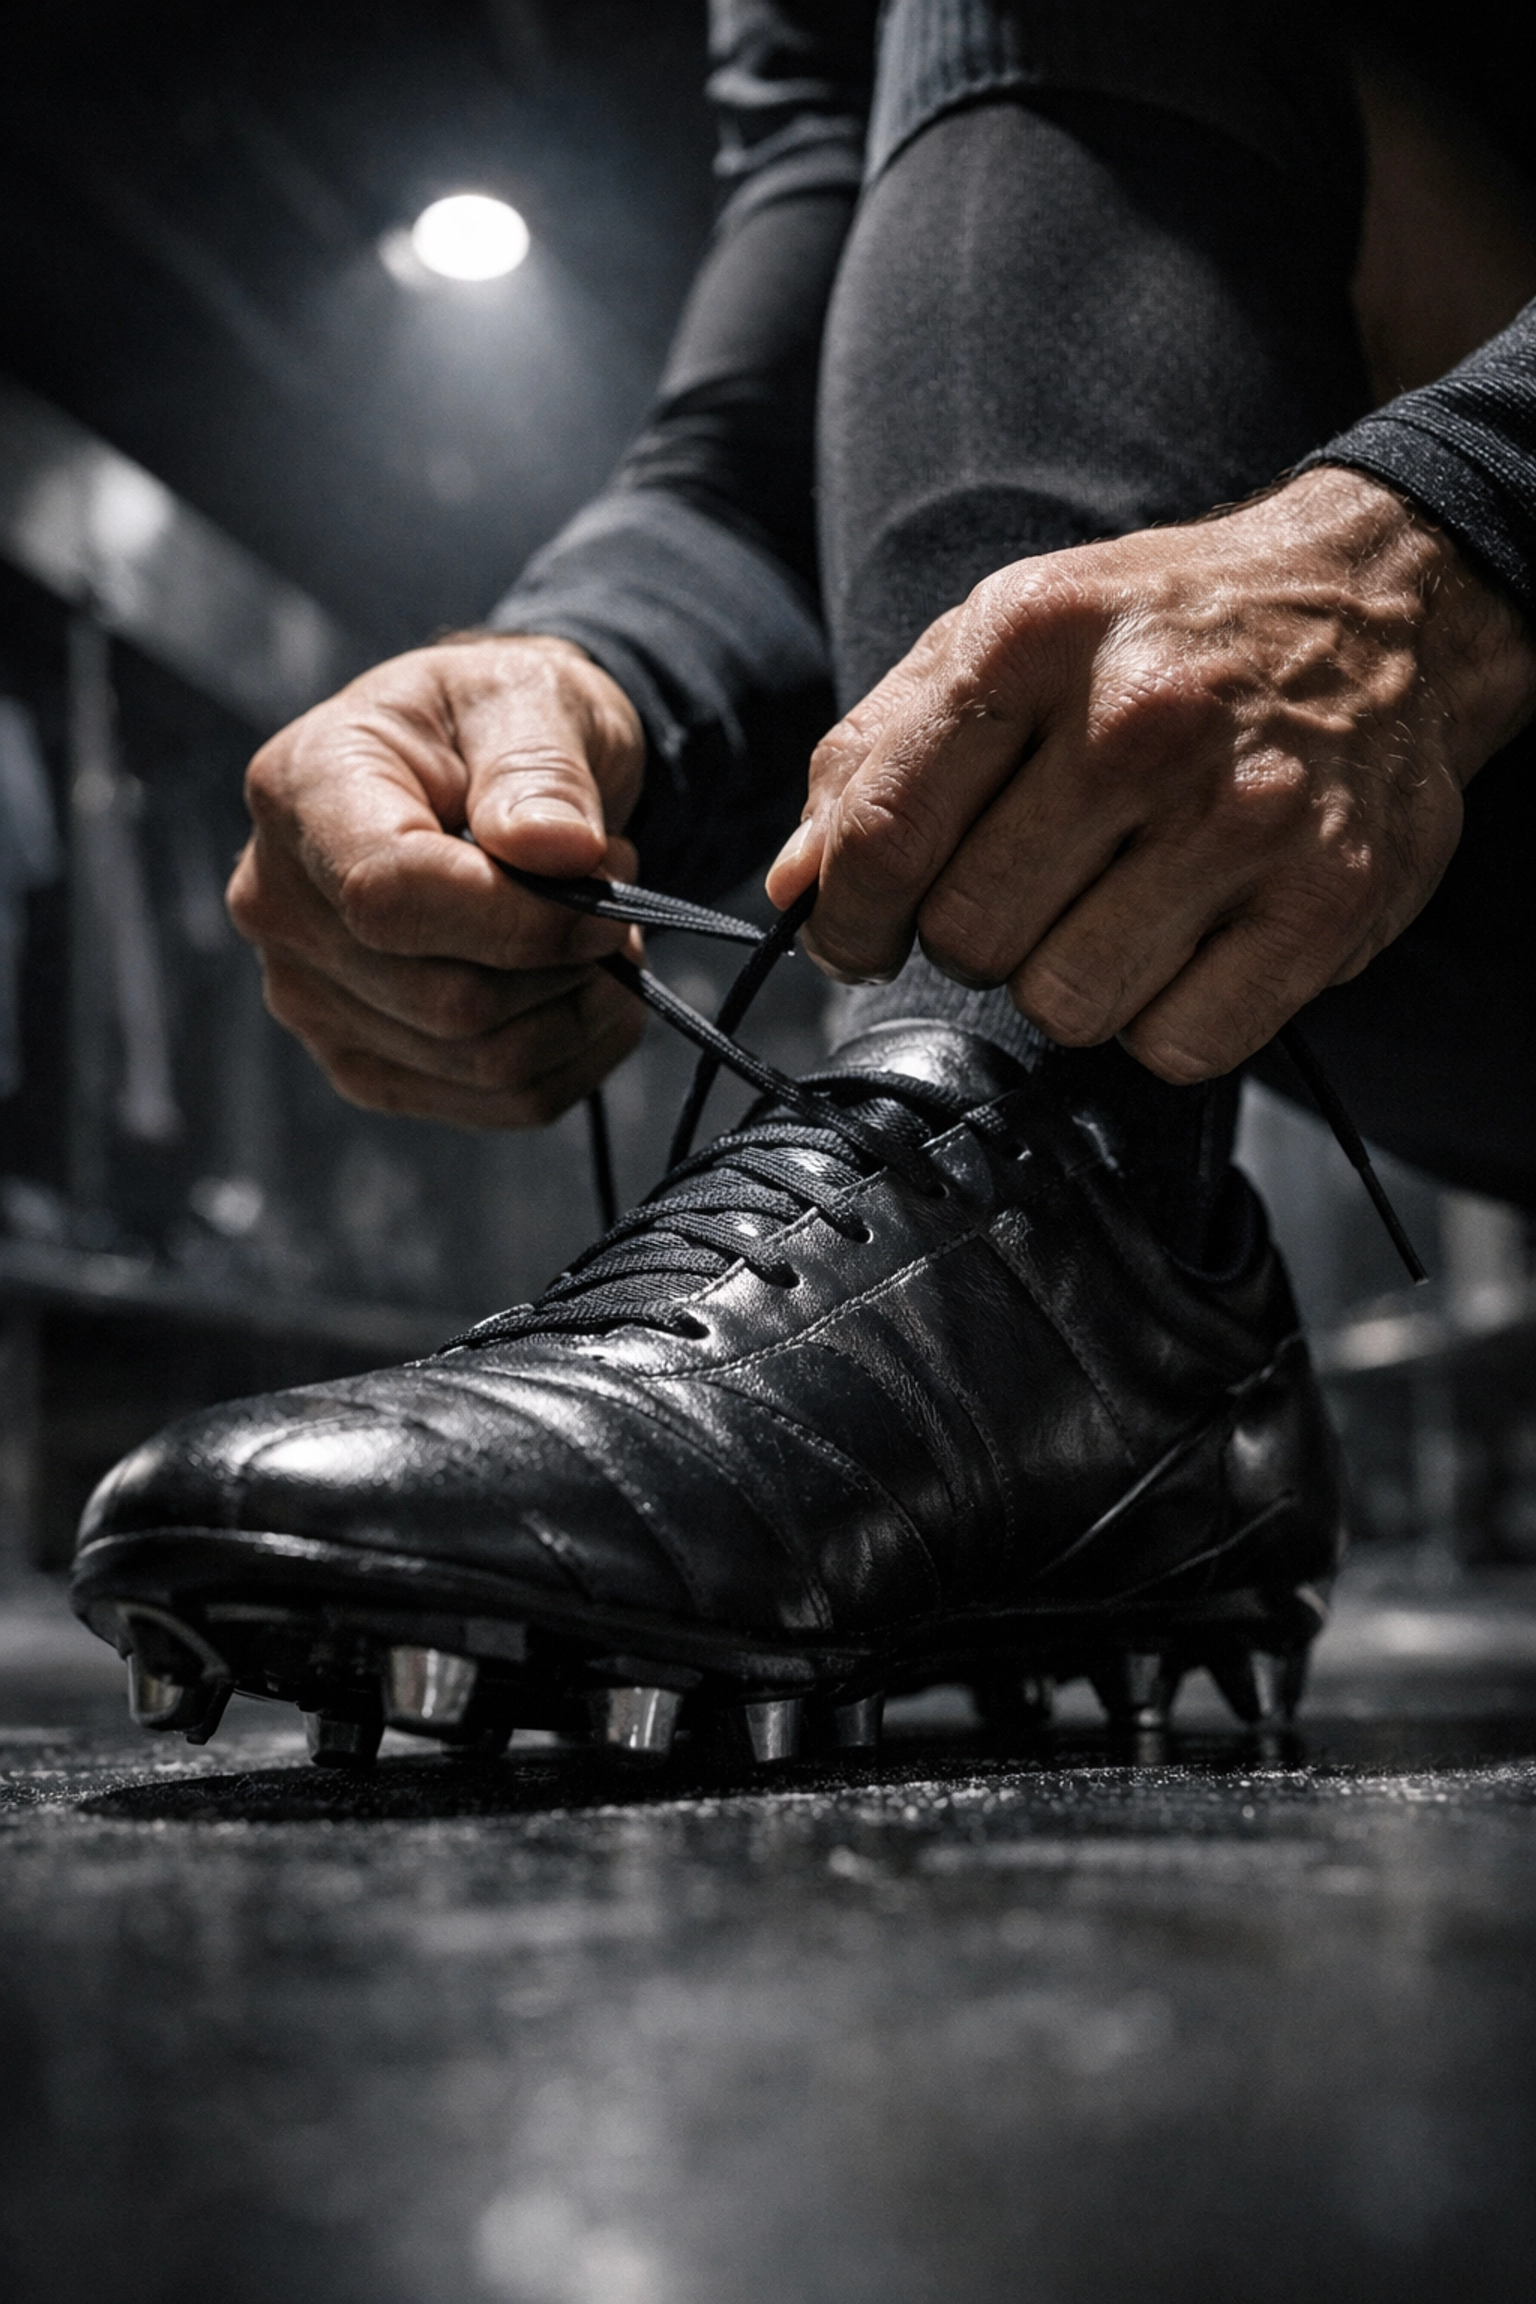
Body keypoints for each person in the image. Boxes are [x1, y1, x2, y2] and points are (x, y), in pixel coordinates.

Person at [69, 3, 1536, 1763]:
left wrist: (1455, 533)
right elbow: (790, 435)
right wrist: (590, 675)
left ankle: (1040, 1215)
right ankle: (1072, 1257)